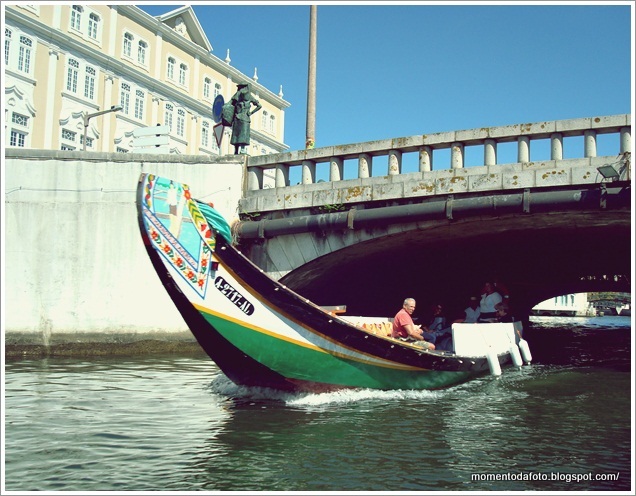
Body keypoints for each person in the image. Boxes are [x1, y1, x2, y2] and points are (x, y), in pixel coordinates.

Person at [228, 82, 262, 155]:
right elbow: (230, 104)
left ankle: (242, 149)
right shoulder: (237, 95)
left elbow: (259, 106)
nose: (241, 89)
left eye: (242, 87)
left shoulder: (249, 96)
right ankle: (236, 150)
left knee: (244, 134)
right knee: (236, 134)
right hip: (237, 118)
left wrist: (251, 112)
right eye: (240, 87)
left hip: (245, 118)